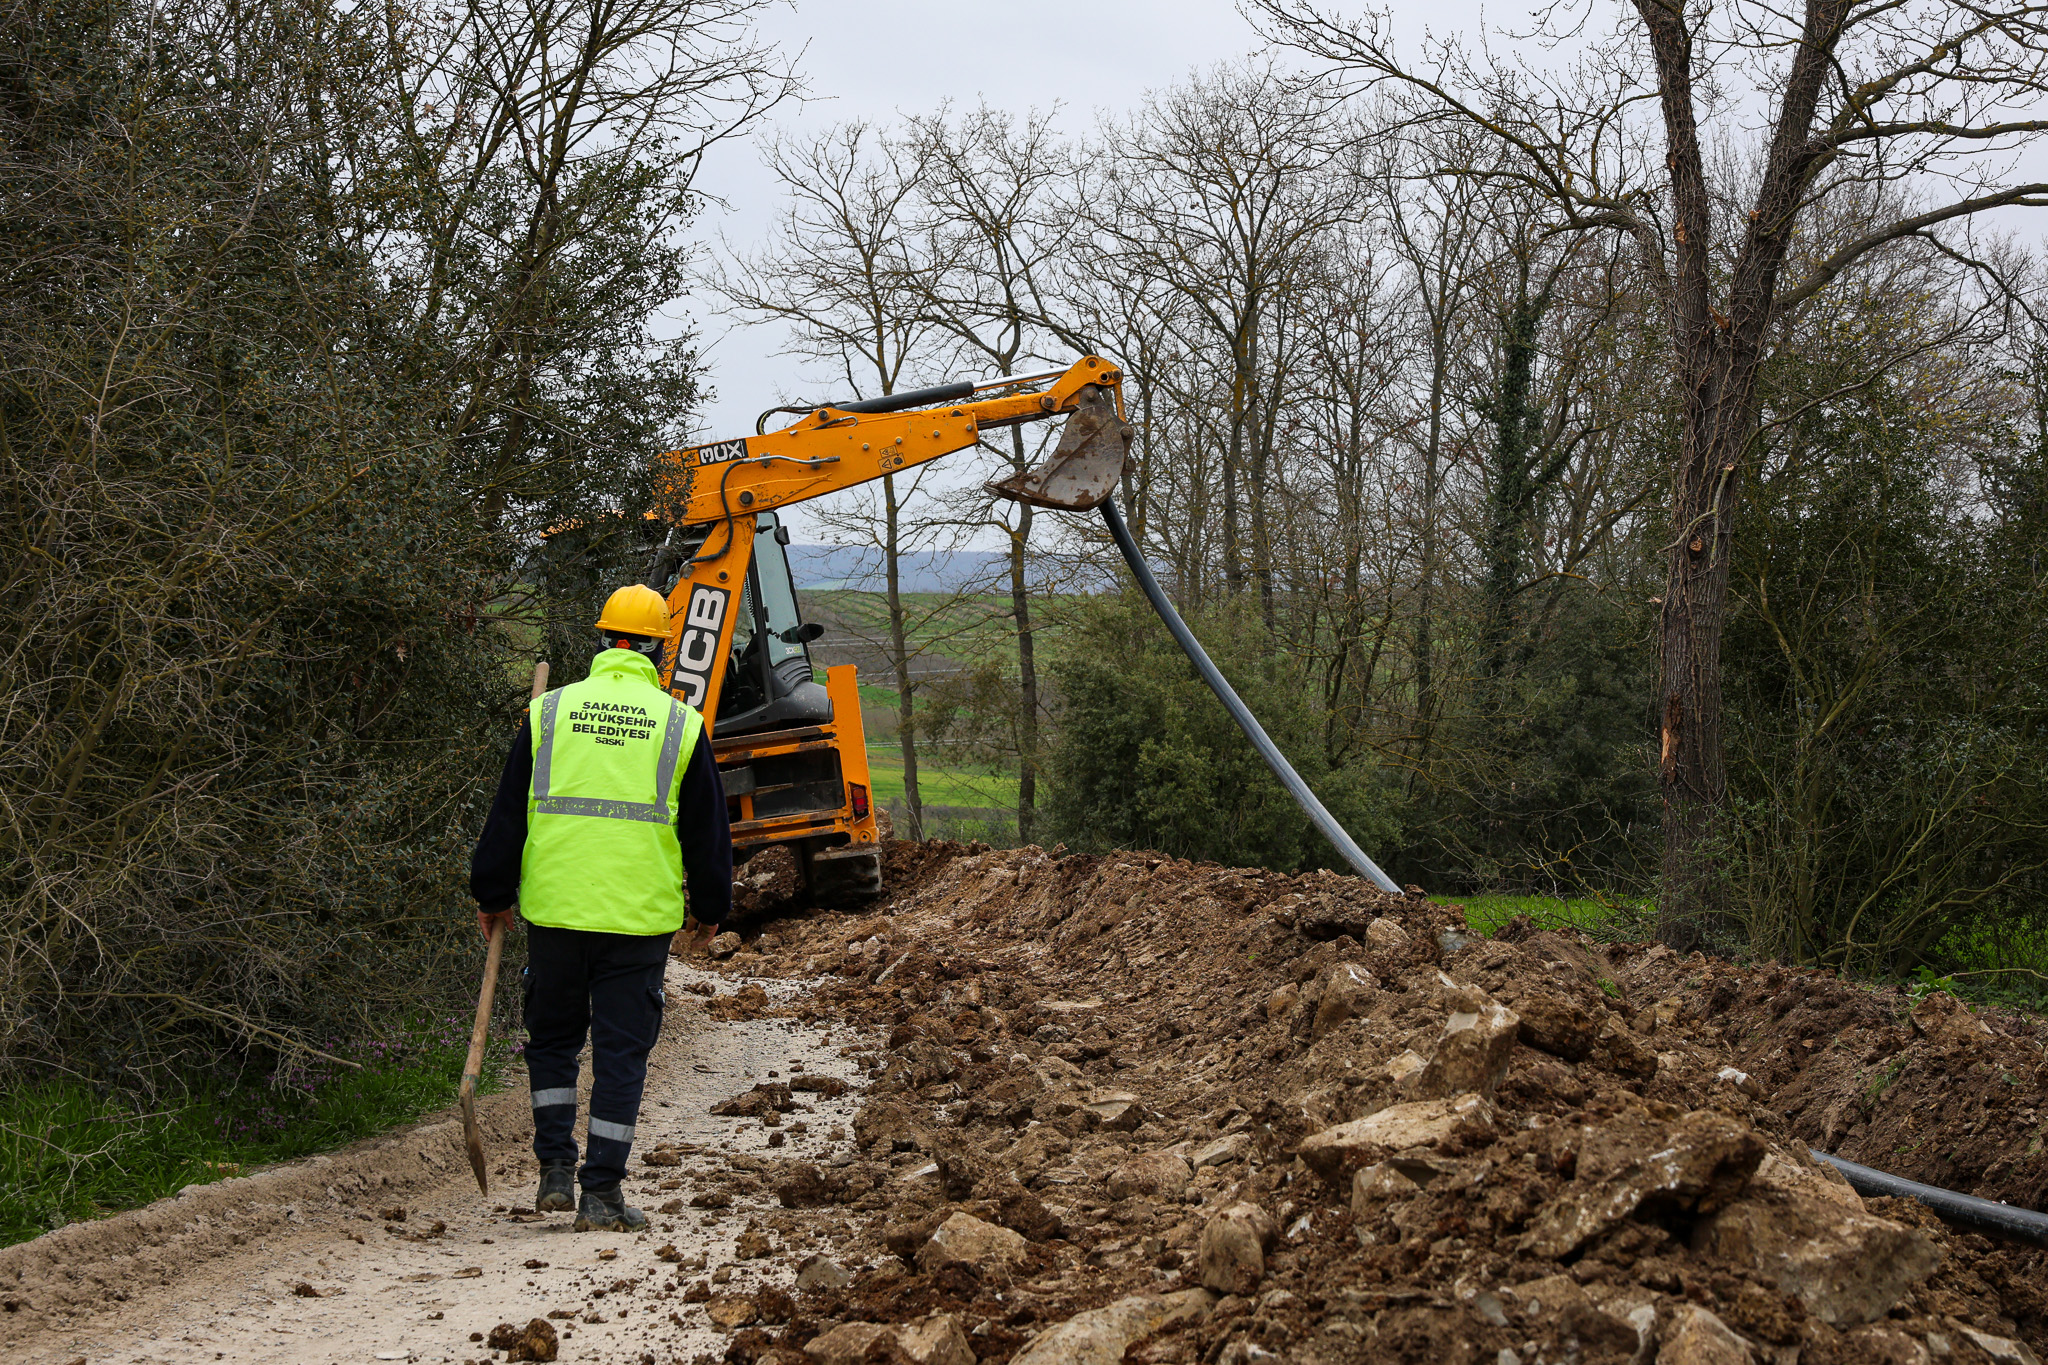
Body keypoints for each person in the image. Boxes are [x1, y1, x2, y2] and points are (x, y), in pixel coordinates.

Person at [470, 584, 732, 1232]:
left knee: (553, 1043)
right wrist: (711, 906)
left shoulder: (549, 713)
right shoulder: (680, 724)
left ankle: (556, 1170)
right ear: (659, 651)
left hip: (556, 911)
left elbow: (508, 815)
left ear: (603, 641)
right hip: (636, 921)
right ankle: (602, 1193)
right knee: (621, 1054)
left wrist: (492, 894)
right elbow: (707, 832)